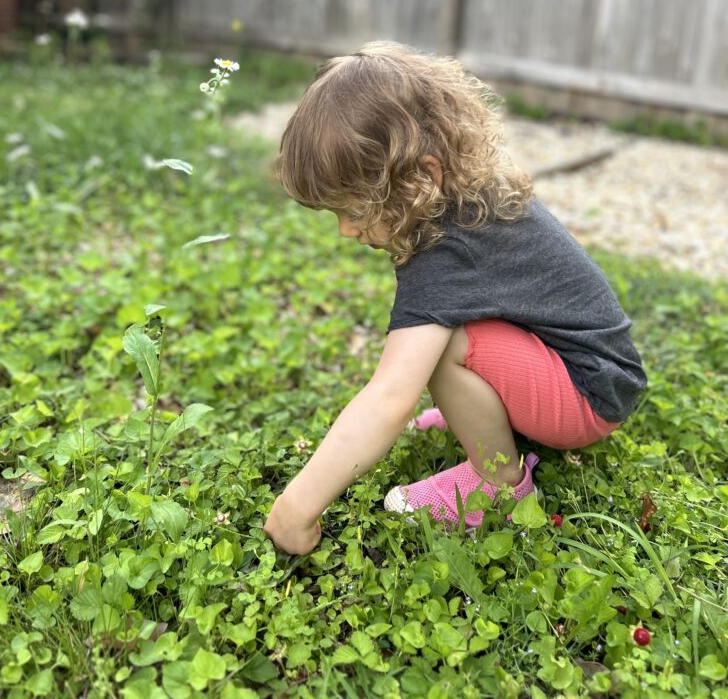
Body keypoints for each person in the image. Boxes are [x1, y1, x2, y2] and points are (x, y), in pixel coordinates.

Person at [262, 41, 646, 555]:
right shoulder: (466, 199)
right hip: (593, 373)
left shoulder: (446, 254)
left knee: (443, 346)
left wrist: (296, 508)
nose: (346, 231)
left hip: (587, 397)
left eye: (352, 209)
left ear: (422, 176)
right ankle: (489, 412)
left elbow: (389, 399)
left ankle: (499, 483)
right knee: (442, 339)